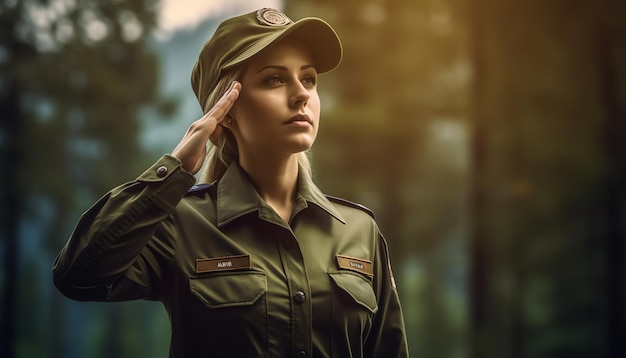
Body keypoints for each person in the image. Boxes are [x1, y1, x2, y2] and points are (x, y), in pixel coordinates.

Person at [52, 8, 408, 358]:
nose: (301, 94)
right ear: (227, 108)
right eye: (274, 79)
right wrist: (173, 170)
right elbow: (78, 275)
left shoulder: (360, 231)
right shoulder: (181, 224)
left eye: (309, 78)